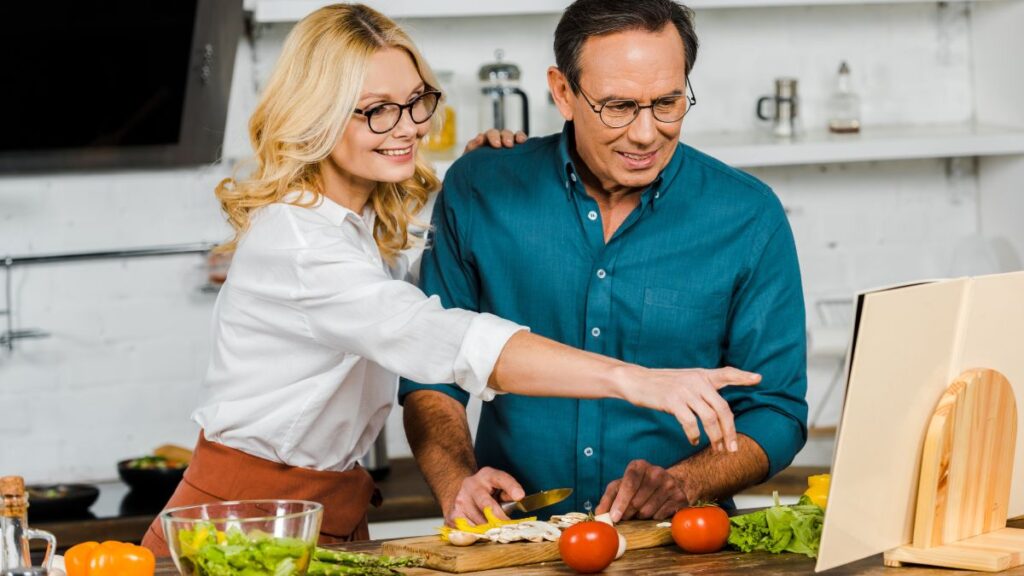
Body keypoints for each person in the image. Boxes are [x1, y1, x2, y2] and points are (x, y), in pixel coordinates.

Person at [140, 3, 761, 556]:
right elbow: (443, 336)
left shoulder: (359, 233)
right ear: (317, 115)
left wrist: (488, 186)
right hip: (240, 519)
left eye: (416, 101)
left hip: (326, 513)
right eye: (378, 111)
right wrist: (634, 380)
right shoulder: (299, 242)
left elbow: (421, 294)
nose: (408, 125)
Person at [400, 0, 808, 528]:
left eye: (667, 102)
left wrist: (685, 482)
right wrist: (458, 484)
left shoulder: (748, 216)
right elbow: (431, 375)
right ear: (562, 92)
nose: (645, 134)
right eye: (617, 106)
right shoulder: (481, 189)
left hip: (677, 547)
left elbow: (776, 411)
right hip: (515, 537)